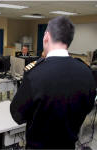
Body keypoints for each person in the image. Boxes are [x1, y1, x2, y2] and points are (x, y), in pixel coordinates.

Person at [10, 16, 96, 149]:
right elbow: (89, 106)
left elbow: (17, 115)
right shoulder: (86, 72)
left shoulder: (35, 73)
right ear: (69, 40)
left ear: (46, 36)